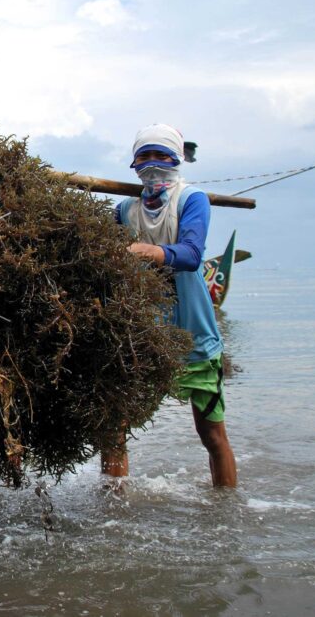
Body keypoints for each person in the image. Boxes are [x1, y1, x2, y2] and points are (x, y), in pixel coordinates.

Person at [101, 123, 238, 487]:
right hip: (144, 338)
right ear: (133, 164)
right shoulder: (125, 210)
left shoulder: (192, 200)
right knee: (114, 430)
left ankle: (226, 509)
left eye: (160, 155)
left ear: (176, 159)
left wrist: (142, 250)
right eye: (144, 156)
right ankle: (112, 506)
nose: (152, 163)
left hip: (194, 337)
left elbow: (191, 255)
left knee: (212, 436)